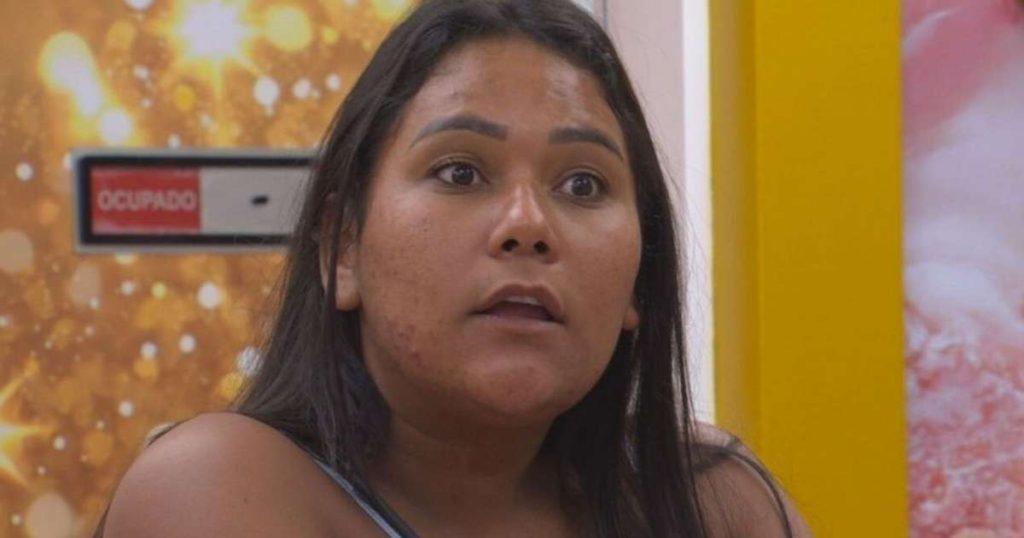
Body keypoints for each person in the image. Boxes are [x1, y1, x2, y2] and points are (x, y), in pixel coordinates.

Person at [98, 1, 812, 536]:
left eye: (583, 184)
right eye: (461, 172)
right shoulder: (222, 485)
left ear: (638, 279)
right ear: (342, 248)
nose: (528, 225)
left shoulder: (712, 502)